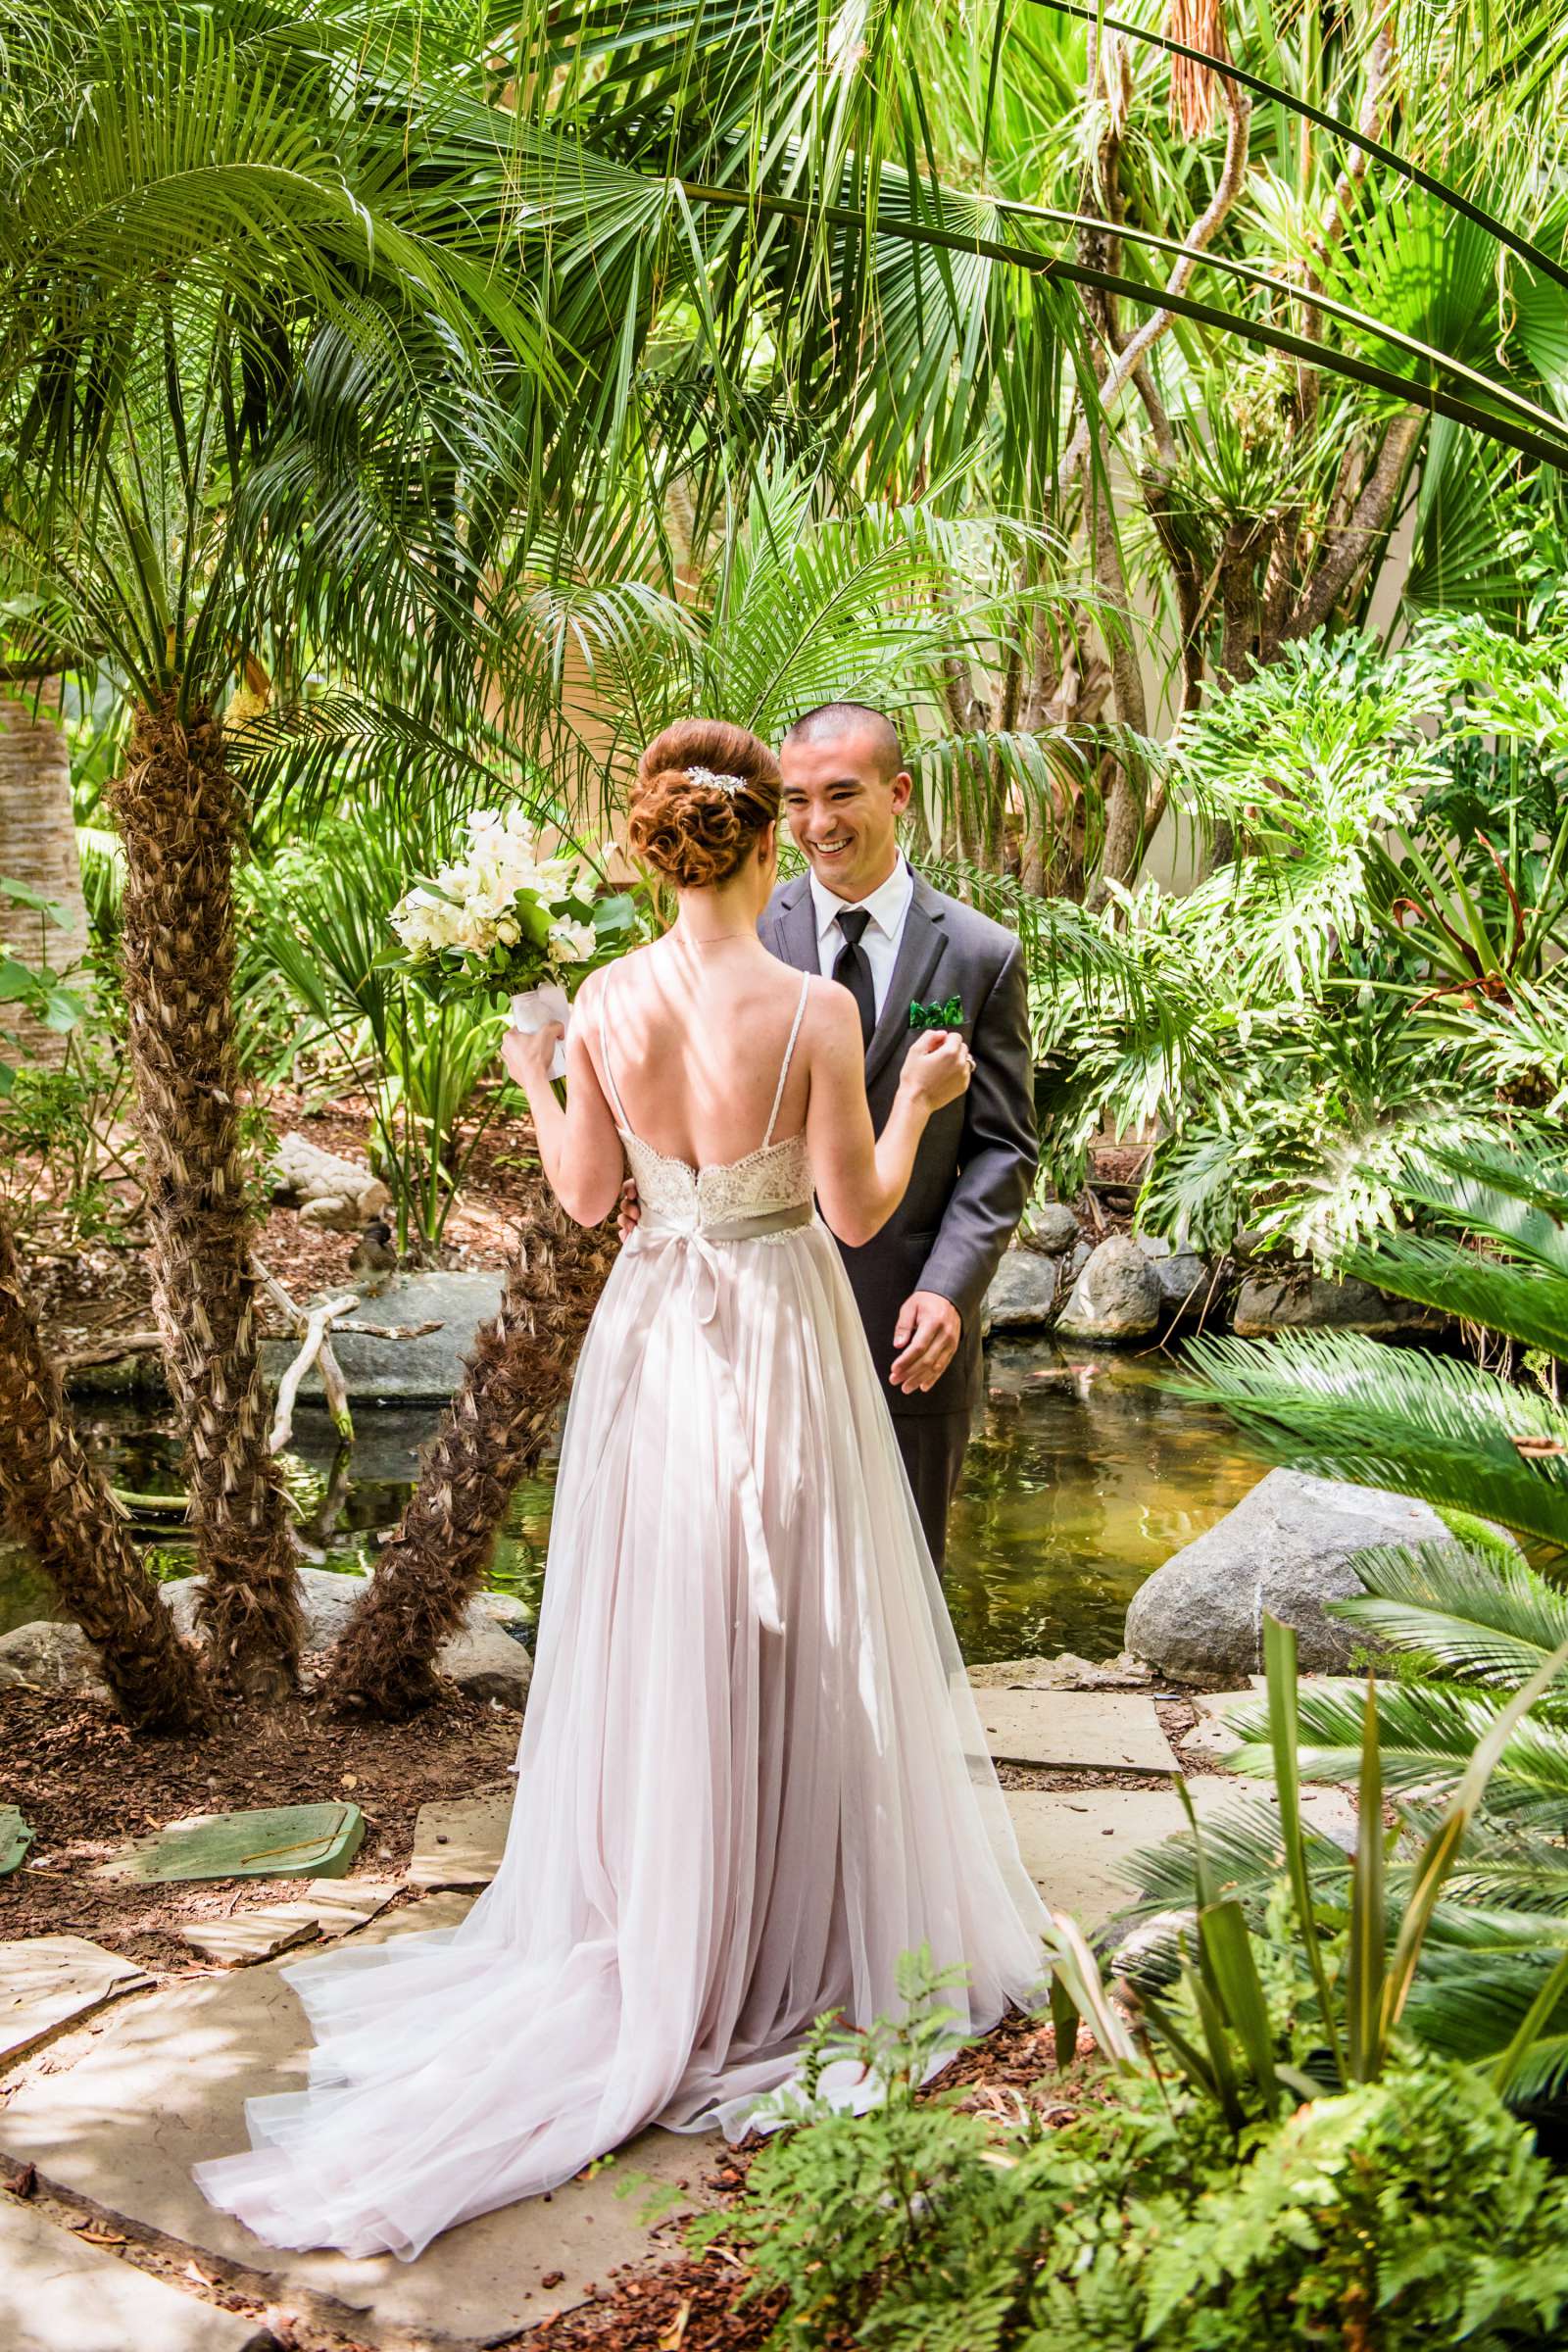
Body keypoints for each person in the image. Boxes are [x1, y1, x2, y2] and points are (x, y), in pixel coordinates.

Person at [193, 718, 1049, 2262]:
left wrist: (536, 1072)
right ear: (765, 845)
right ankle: (777, 1933)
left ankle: (663, 1930)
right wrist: (919, 1094)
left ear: (656, 845)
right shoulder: (806, 1008)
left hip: (660, 1326)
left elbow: (586, 1196)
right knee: (797, 1624)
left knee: (670, 1618)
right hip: (783, 1322)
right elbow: (857, 1213)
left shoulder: (605, 1000)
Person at [765, 702, 1037, 1569]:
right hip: (763, 1316)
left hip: (909, 1324)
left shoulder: (979, 955)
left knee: (904, 1582)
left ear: (900, 793)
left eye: (841, 795)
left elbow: (1002, 1146)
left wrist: (951, 1290)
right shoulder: (747, 940)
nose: (817, 824)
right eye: (796, 801)